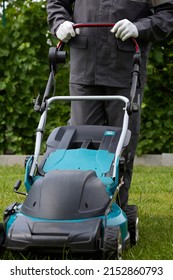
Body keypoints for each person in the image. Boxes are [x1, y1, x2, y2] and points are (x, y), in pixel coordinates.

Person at [46, 0, 173, 206]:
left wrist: (139, 28)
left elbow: (167, 14)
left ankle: (116, 208)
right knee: (80, 142)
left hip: (125, 69)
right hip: (85, 67)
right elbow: (56, 3)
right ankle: (76, 206)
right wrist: (60, 23)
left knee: (122, 143)